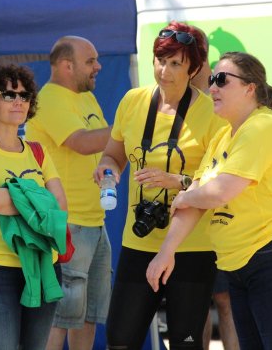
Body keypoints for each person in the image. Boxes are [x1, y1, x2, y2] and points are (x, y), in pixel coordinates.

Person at [147, 51, 272, 350]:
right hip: (241, 263)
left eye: (221, 80)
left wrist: (186, 195)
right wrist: (166, 251)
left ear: (250, 88)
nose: (212, 87)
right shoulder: (224, 136)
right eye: (212, 79)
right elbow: (197, 200)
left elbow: (218, 192)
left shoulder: (263, 126)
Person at [94, 20, 225, 350]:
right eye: (160, 60)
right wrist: (108, 171)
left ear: (193, 67)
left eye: (175, 63)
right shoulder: (133, 101)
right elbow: (113, 154)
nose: (164, 70)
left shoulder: (212, 112)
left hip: (192, 247)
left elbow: (222, 180)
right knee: (120, 339)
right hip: (139, 243)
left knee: (186, 343)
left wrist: (176, 181)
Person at [0, 64, 67, 350]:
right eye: (8, 94)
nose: (19, 100)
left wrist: (17, 196)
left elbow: (58, 206)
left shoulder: (38, 151)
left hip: (45, 265)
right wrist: (36, 197)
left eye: (25, 95)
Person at [26, 35, 112, 350]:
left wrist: (112, 167)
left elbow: (107, 147)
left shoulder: (87, 98)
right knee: (59, 318)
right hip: (66, 224)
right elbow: (82, 141)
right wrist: (131, 127)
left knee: (88, 316)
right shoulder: (48, 99)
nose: (98, 66)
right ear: (66, 65)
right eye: (90, 61)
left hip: (95, 221)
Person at [190, 28, 240, 350]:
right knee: (197, 304)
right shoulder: (165, 101)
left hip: (220, 222)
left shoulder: (218, 99)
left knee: (225, 299)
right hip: (189, 223)